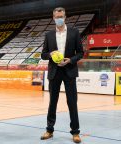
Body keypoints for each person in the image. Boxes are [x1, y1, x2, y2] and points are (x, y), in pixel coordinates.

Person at [40, 7, 84, 143]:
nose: (59, 19)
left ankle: (75, 132)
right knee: (52, 102)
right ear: (53, 18)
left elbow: (81, 53)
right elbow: (43, 54)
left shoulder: (74, 32)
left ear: (65, 17)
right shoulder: (48, 35)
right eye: (57, 17)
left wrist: (70, 60)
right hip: (54, 72)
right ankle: (49, 130)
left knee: (72, 102)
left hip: (69, 70)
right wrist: (50, 55)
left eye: (61, 16)